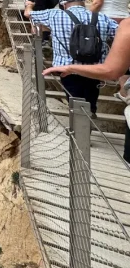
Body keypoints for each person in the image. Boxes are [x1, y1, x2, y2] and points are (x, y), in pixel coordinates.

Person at [43, 18, 130, 163]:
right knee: (89, 99)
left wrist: (70, 67)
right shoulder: (105, 19)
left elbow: (111, 70)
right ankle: (86, 124)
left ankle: (80, 132)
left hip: (80, 71)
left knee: (75, 99)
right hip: (93, 69)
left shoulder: (127, 25)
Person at [26, 0, 117, 116]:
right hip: (95, 68)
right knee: (91, 97)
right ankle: (90, 115)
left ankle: (79, 126)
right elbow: (117, 34)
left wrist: (29, 5)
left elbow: (29, 14)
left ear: (63, 4)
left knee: (74, 98)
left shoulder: (54, 14)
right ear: (83, 3)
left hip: (67, 67)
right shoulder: (102, 17)